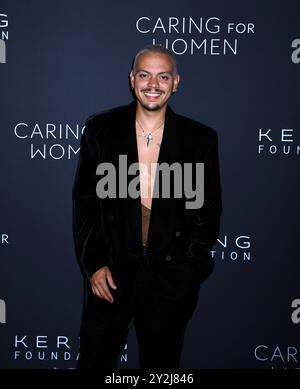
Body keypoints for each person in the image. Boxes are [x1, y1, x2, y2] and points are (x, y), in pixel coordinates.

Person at [72, 44, 222, 369]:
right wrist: (95, 264)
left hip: (170, 283)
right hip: (110, 276)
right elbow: (86, 204)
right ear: (132, 78)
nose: (153, 84)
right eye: (145, 74)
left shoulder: (199, 139)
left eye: (163, 76)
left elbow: (207, 212)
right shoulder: (102, 129)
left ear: (176, 82)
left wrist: (189, 271)